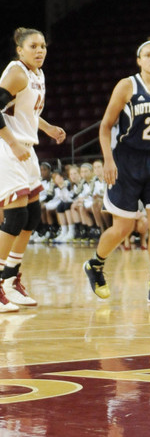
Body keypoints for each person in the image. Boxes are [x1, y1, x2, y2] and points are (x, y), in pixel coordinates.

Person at [83, 39, 150, 304]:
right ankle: (95, 264)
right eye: (148, 55)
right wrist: (108, 160)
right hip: (126, 161)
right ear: (139, 61)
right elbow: (105, 126)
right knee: (123, 227)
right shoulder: (127, 86)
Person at [0, 27, 66, 309]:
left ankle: (10, 279)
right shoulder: (17, 72)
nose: (40, 50)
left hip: (25, 147)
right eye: (33, 46)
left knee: (32, 216)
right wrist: (13, 143)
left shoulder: (37, 74)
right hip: (7, 145)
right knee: (15, 217)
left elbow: (25, 111)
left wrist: (47, 127)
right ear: (20, 50)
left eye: (43, 46)